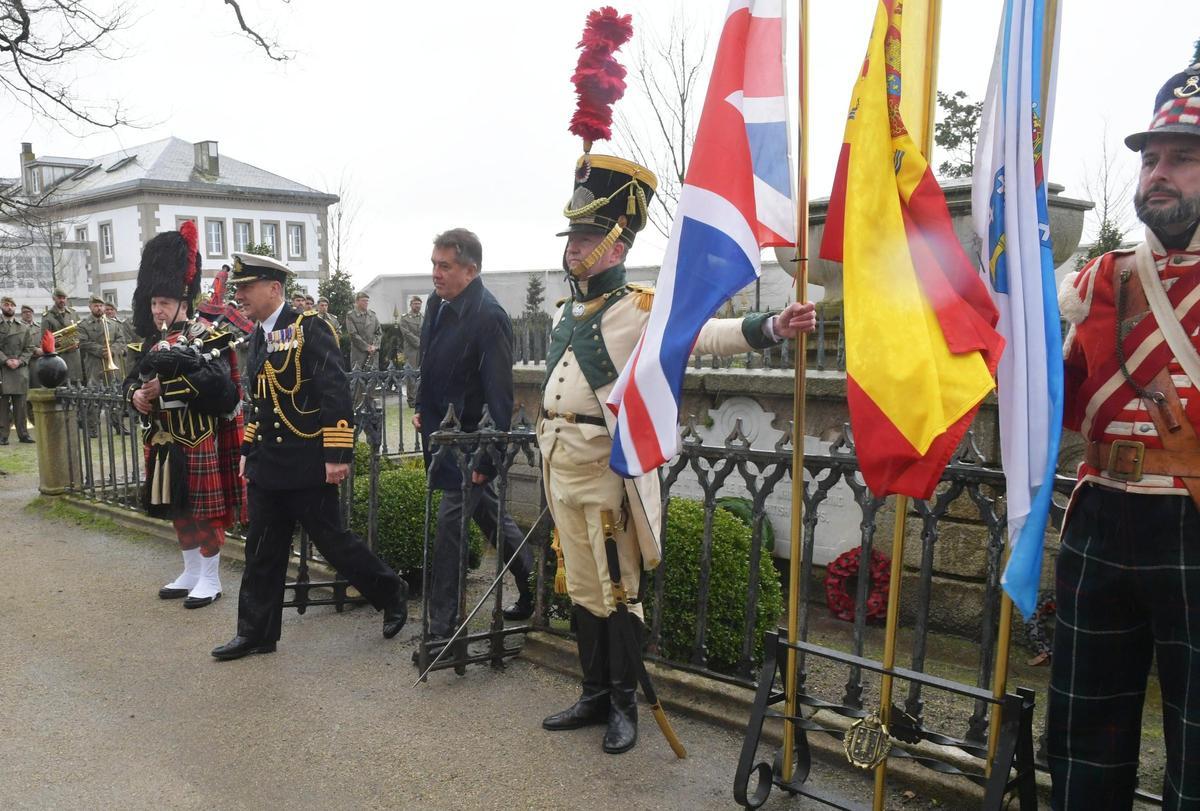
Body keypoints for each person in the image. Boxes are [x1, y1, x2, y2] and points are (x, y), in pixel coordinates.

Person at [538, 152, 816, 755]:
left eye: (585, 238)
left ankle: (622, 704)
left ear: (614, 246)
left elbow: (700, 334)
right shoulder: (566, 310)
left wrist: (771, 327)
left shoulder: (640, 308)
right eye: (572, 238)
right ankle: (591, 693)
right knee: (583, 588)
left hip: (607, 470)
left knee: (619, 590)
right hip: (560, 464)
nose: (573, 249)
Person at [1049, 50, 1200, 809]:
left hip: (1194, 520)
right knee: (1083, 736)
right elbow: (1051, 394)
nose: (1159, 175)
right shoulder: (1095, 281)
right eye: (1152, 160)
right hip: (1101, 512)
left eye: (1183, 158)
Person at [213, 251, 408, 660]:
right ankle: (256, 633)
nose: (240, 296)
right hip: (269, 463)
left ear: (274, 288)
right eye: (238, 290)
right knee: (261, 550)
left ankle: (391, 592)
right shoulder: (257, 336)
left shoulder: (309, 328)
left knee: (333, 543)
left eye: (246, 288)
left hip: (306, 460)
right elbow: (259, 403)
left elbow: (334, 391)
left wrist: (338, 453)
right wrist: (249, 448)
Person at [412, 228, 534, 651]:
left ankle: (443, 628)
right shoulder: (437, 303)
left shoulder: (489, 316)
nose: (435, 274)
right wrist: (417, 405)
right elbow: (428, 361)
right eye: (433, 264)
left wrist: (486, 461)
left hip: (471, 446)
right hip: (442, 436)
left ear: (471, 269)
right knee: (491, 518)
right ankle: (533, 583)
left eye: (444, 266)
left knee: (450, 527)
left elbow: (500, 395)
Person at [123, 223, 243, 609]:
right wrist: (136, 395)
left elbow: (222, 390)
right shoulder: (148, 341)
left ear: (183, 300)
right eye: (153, 302)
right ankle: (190, 571)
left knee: (205, 511)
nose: (156, 309)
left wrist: (166, 390)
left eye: (164, 302)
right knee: (176, 507)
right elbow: (128, 382)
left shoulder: (207, 336)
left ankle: (211, 577)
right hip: (161, 440)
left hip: (197, 436)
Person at [0, 296, 35, 445]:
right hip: (2, 368)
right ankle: (3, 434)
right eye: (6, 305)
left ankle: (23, 434)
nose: (9, 307)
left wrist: (20, 361)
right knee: (2, 405)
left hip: (19, 369)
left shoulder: (23, 327)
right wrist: (5, 360)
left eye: (12, 305)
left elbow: (29, 348)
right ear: (1, 306)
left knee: (20, 403)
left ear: (15, 308)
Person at [40, 287, 81, 384]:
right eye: (59, 298)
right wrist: (64, 345)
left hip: (74, 356)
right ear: (54, 298)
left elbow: (80, 332)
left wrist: (77, 343)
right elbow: (45, 339)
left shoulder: (73, 313)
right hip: (58, 358)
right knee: (61, 386)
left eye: (64, 298)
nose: (62, 300)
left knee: (76, 386)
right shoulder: (48, 316)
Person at [344, 291, 381, 371]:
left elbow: (378, 332)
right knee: (358, 378)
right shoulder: (351, 315)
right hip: (358, 352)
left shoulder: (372, 315)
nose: (366, 303)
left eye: (367, 301)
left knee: (373, 378)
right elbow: (353, 334)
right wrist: (367, 347)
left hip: (373, 352)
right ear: (357, 301)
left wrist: (375, 346)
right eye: (363, 300)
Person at [398, 294, 424, 407]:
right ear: (411, 305)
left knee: (422, 373)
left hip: (423, 349)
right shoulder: (405, 318)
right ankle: (412, 400)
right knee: (411, 374)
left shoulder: (423, 317)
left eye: (419, 304)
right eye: (415, 304)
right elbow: (406, 333)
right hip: (411, 349)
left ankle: (421, 397)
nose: (417, 306)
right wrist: (418, 342)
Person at [20, 304, 42, 426]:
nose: (27, 314)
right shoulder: (18, 327)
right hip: (23, 363)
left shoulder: (39, 327)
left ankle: (35, 419)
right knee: (24, 391)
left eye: (29, 312)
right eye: (25, 312)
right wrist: (35, 350)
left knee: (36, 389)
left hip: (36, 363)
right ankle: (25, 420)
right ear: (21, 314)